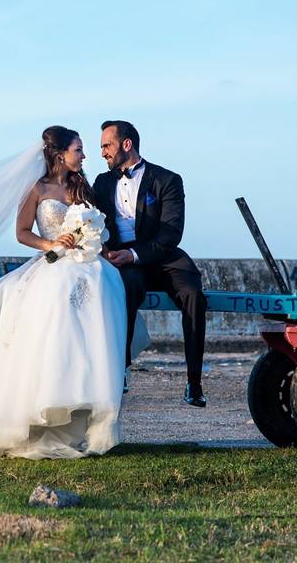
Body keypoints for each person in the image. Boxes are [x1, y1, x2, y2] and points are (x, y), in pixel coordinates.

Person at [0, 126, 148, 459]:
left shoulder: (81, 187)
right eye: (78, 150)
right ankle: (50, 404)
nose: (84, 156)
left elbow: (96, 227)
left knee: (104, 285)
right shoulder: (36, 189)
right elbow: (22, 232)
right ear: (60, 155)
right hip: (54, 258)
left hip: (87, 259)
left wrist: (92, 242)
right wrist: (51, 244)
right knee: (58, 296)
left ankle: (90, 407)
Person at [94, 120, 208, 408]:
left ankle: (194, 382)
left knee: (194, 295)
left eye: (107, 145)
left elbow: (172, 233)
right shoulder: (101, 182)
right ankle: (120, 370)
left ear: (126, 144)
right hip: (121, 259)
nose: (103, 152)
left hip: (162, 256)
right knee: (126, 289)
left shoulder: (167, 180)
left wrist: (135, 254)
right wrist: (112, 253)